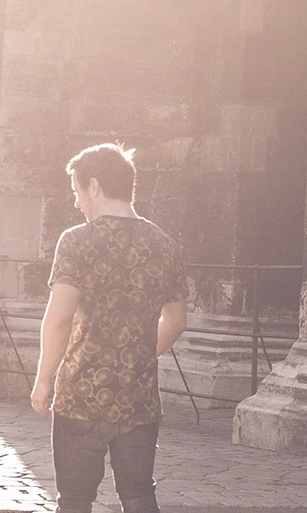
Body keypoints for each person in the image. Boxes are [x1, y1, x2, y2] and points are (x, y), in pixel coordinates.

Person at [29, 143, 188, 513]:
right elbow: (177, 321)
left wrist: (43, 380)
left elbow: (59, 318)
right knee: (139, 496)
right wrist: (138, 354)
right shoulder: (165, 245)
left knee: (74, 500)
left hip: (80, 395)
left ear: (94, 186)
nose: (76, 202)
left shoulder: (77, 241)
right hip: (138, 398)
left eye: (76, 191)